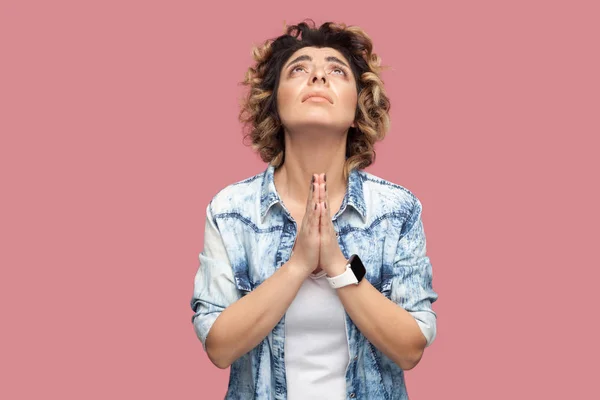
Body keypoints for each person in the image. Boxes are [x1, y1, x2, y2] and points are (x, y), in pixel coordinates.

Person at [190, 19, 438, 400]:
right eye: (299, 69)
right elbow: (219, 347)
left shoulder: (396, 210)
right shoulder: (231, 211)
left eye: (337, 70)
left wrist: (338, 266)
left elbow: (410, 348)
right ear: (274, 104)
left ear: (358, 108)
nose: (318, 76)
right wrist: (297, 266)